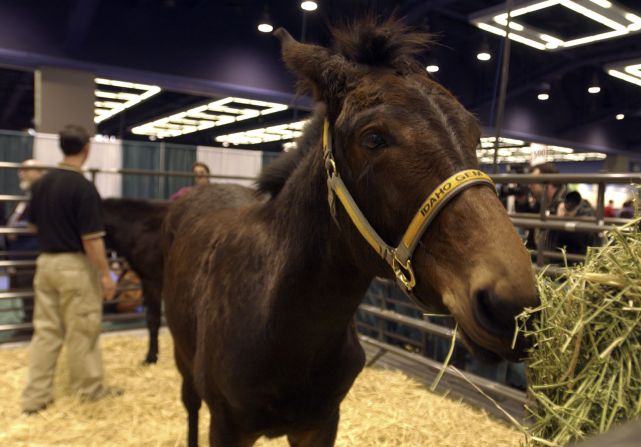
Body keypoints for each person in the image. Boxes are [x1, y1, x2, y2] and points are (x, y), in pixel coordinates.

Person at [21, 125, 120, 415]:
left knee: (46, 332)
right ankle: (88, 390)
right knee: (83, 329)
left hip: (46, 263)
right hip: (74, 266)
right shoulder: (83, 187)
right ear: (86, 148)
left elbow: (32, 226)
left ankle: (35, 398)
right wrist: (105, 274)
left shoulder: (42, 183)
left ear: (62, 147)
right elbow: (91, 239)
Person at [6, 160, 45, 331]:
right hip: (19, 252)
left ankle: (32, 325)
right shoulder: (24, 196)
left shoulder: (42, 194)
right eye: (21, 170)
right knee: (23, 288)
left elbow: (39, 221)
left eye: (26, 170)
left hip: (32, 251)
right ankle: (28, 321)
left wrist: (16, 229)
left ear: (39, 172)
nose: (21, 173)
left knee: (32, 289)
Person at [528, 162, 597, 260]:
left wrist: (570, 218)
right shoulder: (542, 204)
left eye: (533, 182)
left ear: (549, 183)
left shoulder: (573, 203)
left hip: (564, 269)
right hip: (544, 267)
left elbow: (589, 237)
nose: (529, 186)